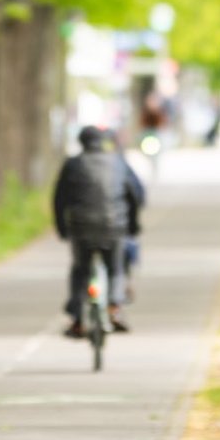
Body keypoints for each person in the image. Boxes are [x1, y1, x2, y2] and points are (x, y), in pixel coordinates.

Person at [52, 125, 145, 338]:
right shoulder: (119, 162)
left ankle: (77, 320)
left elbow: (59, 199)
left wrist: (62, 228)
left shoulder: (73, 164)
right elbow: (135, 195)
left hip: (81, 228)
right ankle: (114, 308)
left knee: (80, 271)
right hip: (115, 227)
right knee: (116, 269)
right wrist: (133, 224)